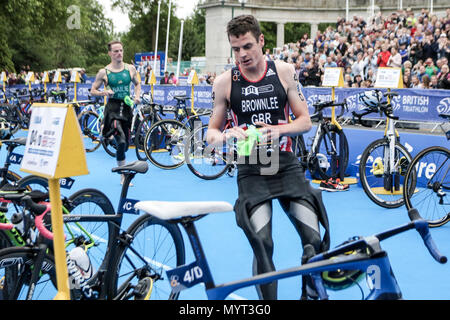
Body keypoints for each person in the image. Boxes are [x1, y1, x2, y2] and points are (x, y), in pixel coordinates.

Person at [206, 14, 330, 300]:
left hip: (286, 167)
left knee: (314, 239)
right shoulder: (225, 82)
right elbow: (210, 133)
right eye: (236, 49)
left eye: (247, 46)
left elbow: (305, 122)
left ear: (261, 41)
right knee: (262, 244)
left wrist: (279, 130)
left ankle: (310, 295)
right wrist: (226, 136)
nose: (242, 54)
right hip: (251, 172)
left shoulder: (284, 71)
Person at [90, 40, 141, 185]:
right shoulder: (104, 72)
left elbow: (137, 84)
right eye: (115, 51)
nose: (119, 53)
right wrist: (105, 92)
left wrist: (137, 97)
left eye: (121, 50)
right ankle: (123, 175)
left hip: (126, 108)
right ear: (110, 53)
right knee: (122, 142)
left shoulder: (130, 69)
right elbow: (93, 90)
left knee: (125, 145)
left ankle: (107, 136)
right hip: (112, 110)